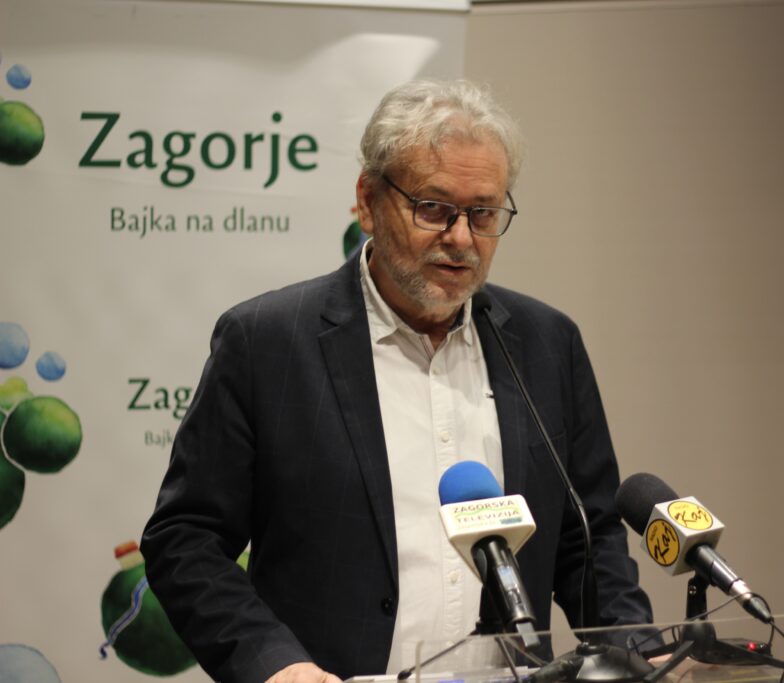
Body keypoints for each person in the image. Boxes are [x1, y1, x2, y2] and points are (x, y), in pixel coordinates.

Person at [141, 79, 653, 683]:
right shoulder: (267, 343)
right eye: (433, 208)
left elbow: (588, 539)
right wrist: (275, 666)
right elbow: (187, 540)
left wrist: (640, 652)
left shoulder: (547, 343)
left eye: (484, 213)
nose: (460, 238)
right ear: (367, 201)